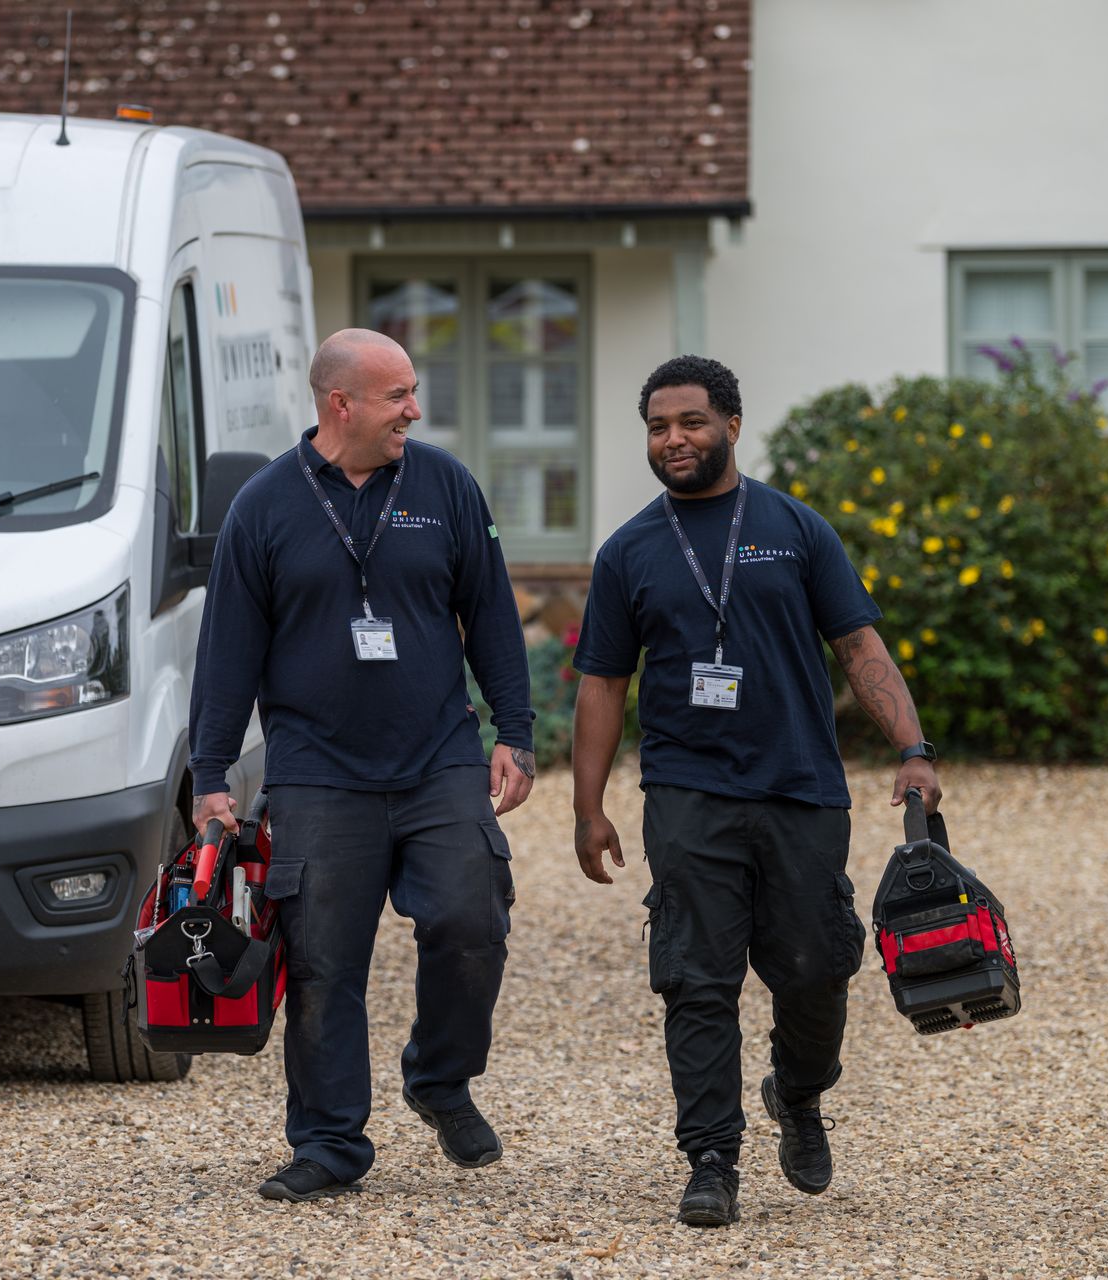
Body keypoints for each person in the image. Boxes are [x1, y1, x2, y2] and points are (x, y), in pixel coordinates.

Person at [569, 355, 942, 1227]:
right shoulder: (629, 552)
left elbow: (859, 648)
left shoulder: (796, 529)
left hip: (800, 785)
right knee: (695, 978)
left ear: (732, 424)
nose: (674, 440)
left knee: (817, 966)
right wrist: (588, 809)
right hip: (688, 791)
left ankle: (801, 1093)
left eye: (691, 422)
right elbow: (602, 684)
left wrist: (914, 749)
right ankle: (711, 1157)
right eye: (659, 427)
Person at [188, 328, 536, 1203]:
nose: (414, 412)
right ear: (340, 404)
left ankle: (440, 1080)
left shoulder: (444, 485)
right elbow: (227, 651)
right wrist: (210, 773)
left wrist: (517, 731)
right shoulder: (265, 506)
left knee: (471, 922)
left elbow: (491, 612)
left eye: (414, 393)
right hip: (316, 772)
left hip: (438, 762)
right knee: (321, 965)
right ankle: (330, 1143)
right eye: (398, 397)